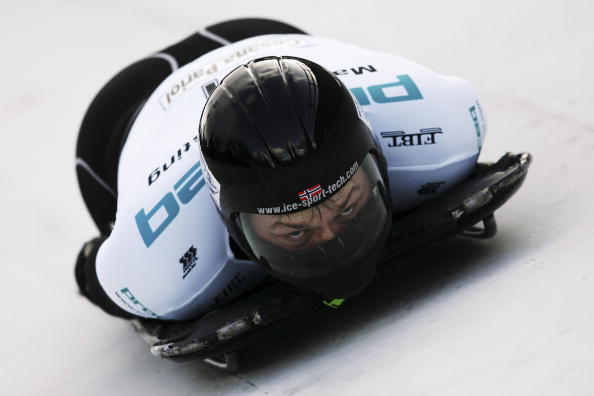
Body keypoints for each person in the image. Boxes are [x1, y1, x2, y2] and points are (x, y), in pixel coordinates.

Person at [75, 18, 487, 321]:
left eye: (347, 204)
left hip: (266, 42)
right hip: (126, 116)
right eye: (295, 229)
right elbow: (97, 276)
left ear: (376, 157)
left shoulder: (444, 126)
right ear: (230, 218)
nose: (331, 239)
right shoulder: (155, 272)